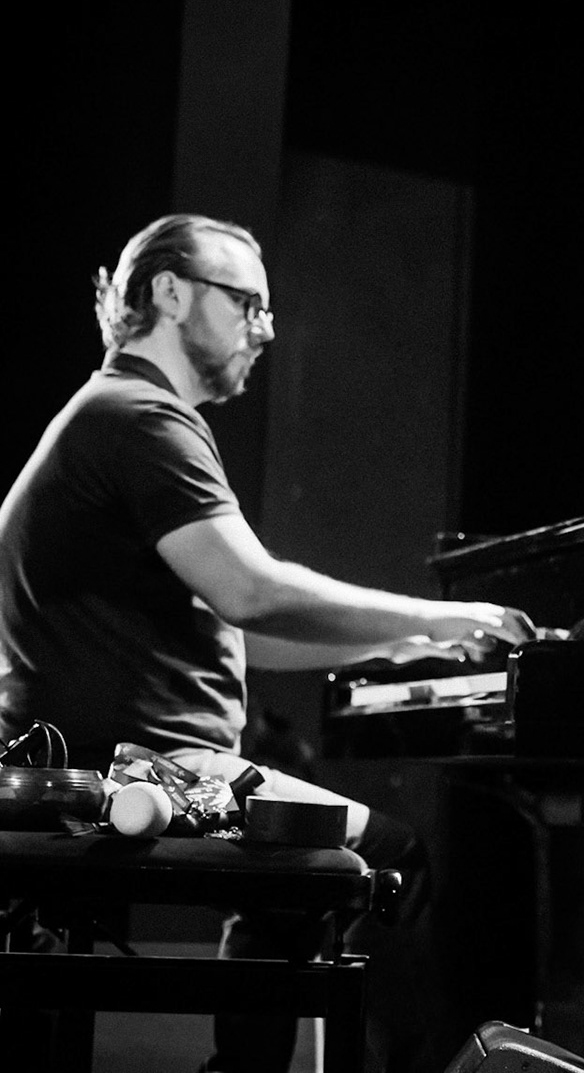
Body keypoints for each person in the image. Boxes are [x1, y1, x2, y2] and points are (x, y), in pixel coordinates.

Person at [0, 213, 534, 1072]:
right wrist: (441, 617)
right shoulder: (142, 418)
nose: (265, 328)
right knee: (394, 856)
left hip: (119, 759)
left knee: (299, 878)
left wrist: (393, 647)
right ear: (171, 293)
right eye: (247, 302)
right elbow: (250, 590)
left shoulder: (109, 413)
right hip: (139, 771)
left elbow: (235, 627)